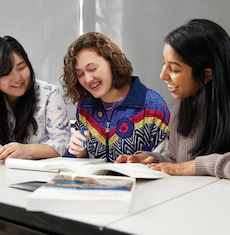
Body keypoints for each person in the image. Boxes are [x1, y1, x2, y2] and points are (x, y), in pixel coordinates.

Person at [116, 19, 230, 184]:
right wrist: (147, 160)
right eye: (164, 64)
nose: (163, 75)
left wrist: (200, 165)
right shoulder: (183, 105)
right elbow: (178, 161)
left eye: (174, 69)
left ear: (207, 73)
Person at [61, 32, 170, 162]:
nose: (88, 79)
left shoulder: (152, 105)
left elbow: (168, 159)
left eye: (93, 69)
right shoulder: (85, 107)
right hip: (94, 182)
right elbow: (79, 159)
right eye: (80, 75)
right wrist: (79, 152)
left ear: (111, 62)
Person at [0, 36, 71, 162]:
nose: (17, 78)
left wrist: (28, 150)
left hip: (41, 174)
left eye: (21, 68)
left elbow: (64, 143)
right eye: (6, 73)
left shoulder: (49, 95)